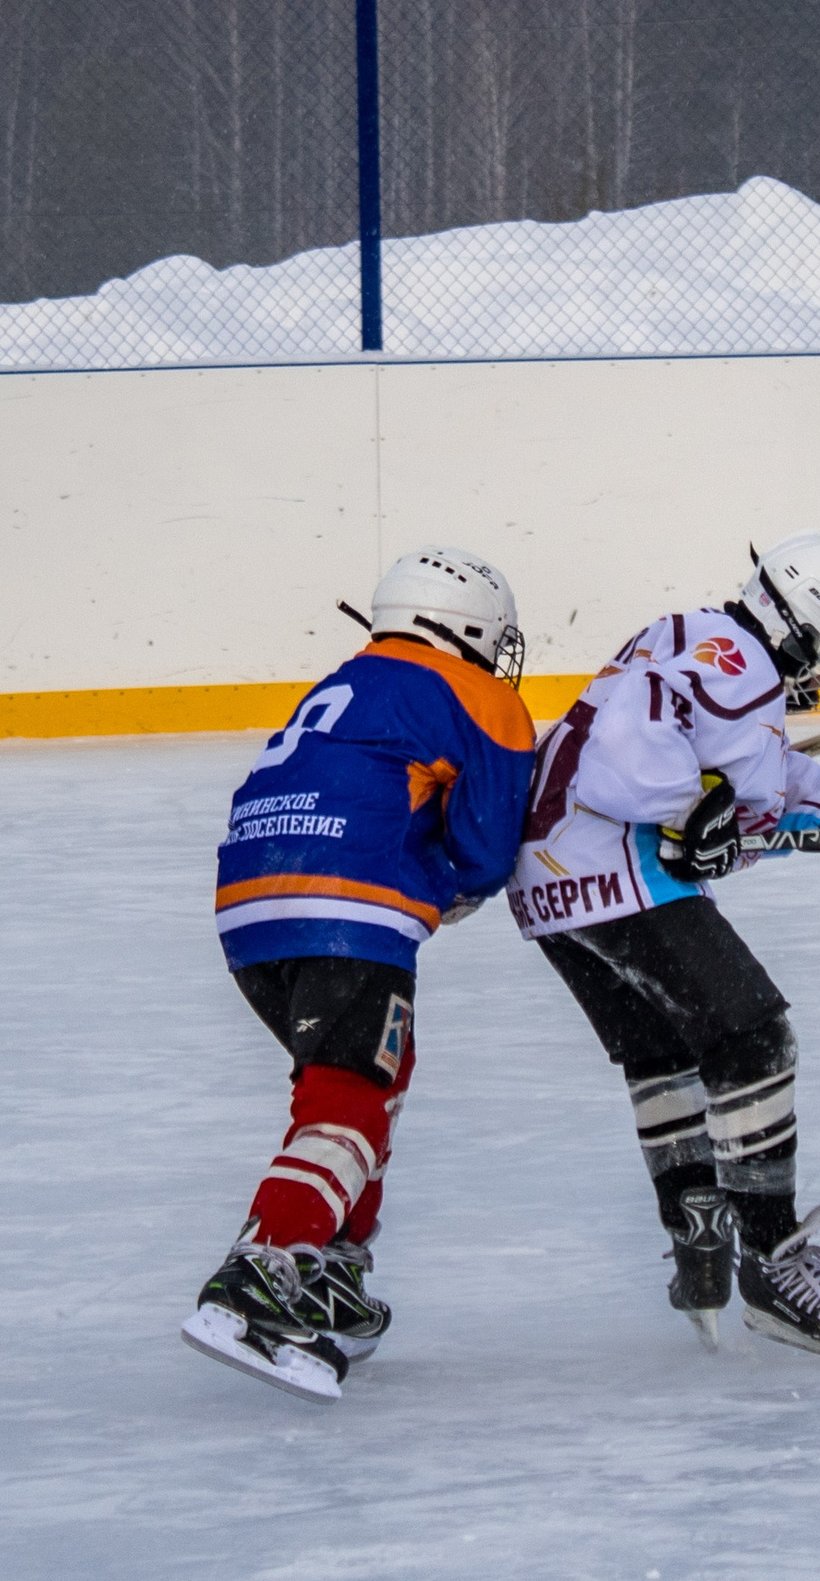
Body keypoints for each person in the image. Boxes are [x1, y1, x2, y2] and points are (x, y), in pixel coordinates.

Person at [509, 530, 820, 1361]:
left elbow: (748, 784)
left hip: (549, 882)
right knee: (751, 1036)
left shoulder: (707, 644)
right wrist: (687, 812)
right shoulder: (743, 664)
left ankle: (699, 1230)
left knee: (662, 1053)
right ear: (805, 625)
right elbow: (630, 756)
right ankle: (773, 1261)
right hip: (612, 867)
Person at [184, 547, 537, 1403]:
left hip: (248, 913)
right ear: (469, 629)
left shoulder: (346, 679)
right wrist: (449, 882)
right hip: (350, 909)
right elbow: (488, 851)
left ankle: (330, 1263)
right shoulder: (482, 695)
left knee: (372, 1079)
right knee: (348, 1099)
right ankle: (265, 1265)